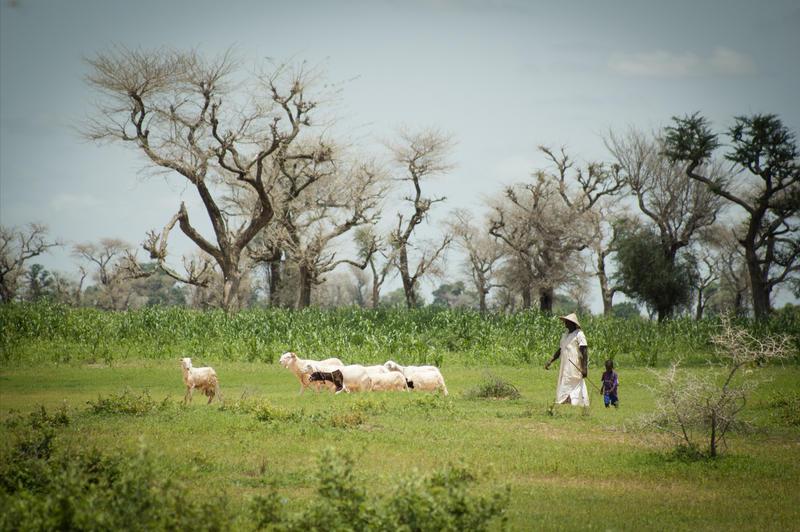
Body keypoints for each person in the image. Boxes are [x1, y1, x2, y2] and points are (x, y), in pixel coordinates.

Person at [544, 313, 589, 406]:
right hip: (565, 365)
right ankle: (566, 400)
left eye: (567, 322)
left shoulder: (579, 334)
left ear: (572, 323)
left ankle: (573, 400)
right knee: (565, 381)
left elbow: (584, 351)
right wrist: (551, 360)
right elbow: (560, 349)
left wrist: (585, 368)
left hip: (575, 364)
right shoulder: (565, 335)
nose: (565, 324)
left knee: (575, 382)